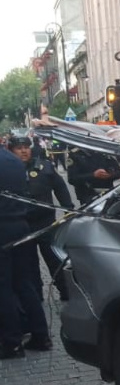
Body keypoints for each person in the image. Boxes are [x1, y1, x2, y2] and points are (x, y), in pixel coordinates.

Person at [0, 144, 51, 358]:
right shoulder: (12, 160)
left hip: (2, 227)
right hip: (20, 225)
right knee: (24, 283)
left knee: (3, 288)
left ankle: (12, 343)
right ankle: (41, 335)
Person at [9, 136, 74, 301]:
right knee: (28, 265)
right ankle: (35, 297)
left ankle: (66, 294)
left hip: (46, 223)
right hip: (23, 225)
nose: (24, 151)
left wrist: (68, 208)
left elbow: (60, 187)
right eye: (19, 148)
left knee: (55, 260)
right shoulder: (7, 170)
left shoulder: (44, 166)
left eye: (26, 147)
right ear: (11, 150)